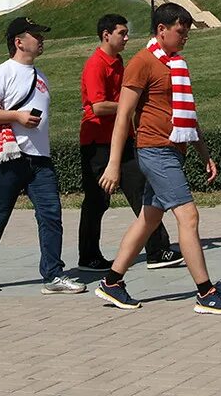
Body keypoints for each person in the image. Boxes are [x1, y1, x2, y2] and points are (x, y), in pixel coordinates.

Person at [95, 3, 221, 315]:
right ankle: (206, 292)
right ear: (161, 30)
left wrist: (204, 154)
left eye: (187, 31)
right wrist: (113, 163)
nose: (185, 36)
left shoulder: (175, 64)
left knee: (149, 219)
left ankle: (112, 282)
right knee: (188, 217)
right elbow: (123, 116)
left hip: (173, 150)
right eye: (180, 31)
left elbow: (187, 115)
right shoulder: (142, 63)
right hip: (155, 151)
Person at [0, 17, 86, 295]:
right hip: (8, 157)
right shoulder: (1, 73)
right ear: (19, 42)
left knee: (51, 215)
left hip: (40, 158)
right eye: (35, 35)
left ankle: (53, 275)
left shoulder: (41, 75)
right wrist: (16, 116)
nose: (41, 40)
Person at [78, 14, 183, 272]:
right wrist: (133, 103)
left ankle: (157, 251)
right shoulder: (96, 65)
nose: (126, 38)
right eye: (122, 33)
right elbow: (98, 106)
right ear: (106, 35)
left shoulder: (119, 61)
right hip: (97, 144)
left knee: (143, 192)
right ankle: (88, 256)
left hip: (123, 139)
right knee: (96, 200)